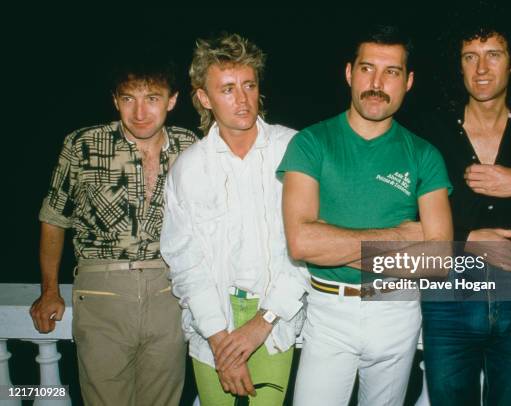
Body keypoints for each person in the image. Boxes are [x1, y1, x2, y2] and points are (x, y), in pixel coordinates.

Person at [278, 25, 453, 406]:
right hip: (328, 313)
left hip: (396, 311)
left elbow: (438, 259)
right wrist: (404, 236)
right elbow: (301, 242)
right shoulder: (310, 143)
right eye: (367, 68)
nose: (376, 83)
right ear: (348, 73)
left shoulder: (424, 154)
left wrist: (333, 240)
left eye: (391, 72)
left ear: (408, 81)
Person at [29, 47, 197, 405]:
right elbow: (54, 218)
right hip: (102, 289)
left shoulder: (190, 146)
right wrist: (48, 290)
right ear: (114, 101)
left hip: (170, 292)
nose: (139, 112)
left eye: (152, 98)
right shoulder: (83, 144)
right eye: (128, 98)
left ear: (172, 100)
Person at [160, 33, 309, 406]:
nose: (242, 100)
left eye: (249, 85)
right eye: (227, 89)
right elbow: (184, 261)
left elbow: (307, 245)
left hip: (276, 319)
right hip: (211, 323)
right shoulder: (189, 168)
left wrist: (262, 323)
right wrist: (219, 339)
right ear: (204, 98)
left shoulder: (295, 150)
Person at [418, 23, 511, 405]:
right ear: (458, 66)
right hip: (447, 303)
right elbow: (406, 213)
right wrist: (467, 239)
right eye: (470, 57)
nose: (481, 69)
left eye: (494, 54)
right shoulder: (430, 132)